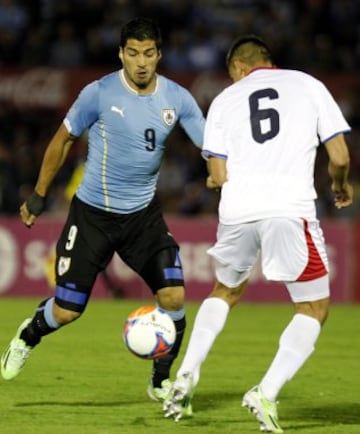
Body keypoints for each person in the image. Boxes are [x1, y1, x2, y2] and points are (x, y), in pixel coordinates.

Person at [1, 17, 205, 404]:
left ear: (159, 55)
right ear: (121, 54)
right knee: (66, 311)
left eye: (148, 54)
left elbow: (210, 145)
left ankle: (160, 381)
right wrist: (39, 194)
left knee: (175, 298)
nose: (141, 62)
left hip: (143, 217)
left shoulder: (177, 98)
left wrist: (220, 169)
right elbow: (62, 140)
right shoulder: (98, 92)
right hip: (92, 216)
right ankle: (27, 337)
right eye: (133, 53)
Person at [163, 35, 353, 432]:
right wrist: (340, 185)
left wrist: (217, 181)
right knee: (313, 308)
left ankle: (184, 376)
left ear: (238, 68)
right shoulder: (308, 84)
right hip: (289, 210)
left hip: (238, 210)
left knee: (225, 291)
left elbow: (218, 174)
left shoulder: (224, 100)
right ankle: (265, 393)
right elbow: (339, 156)